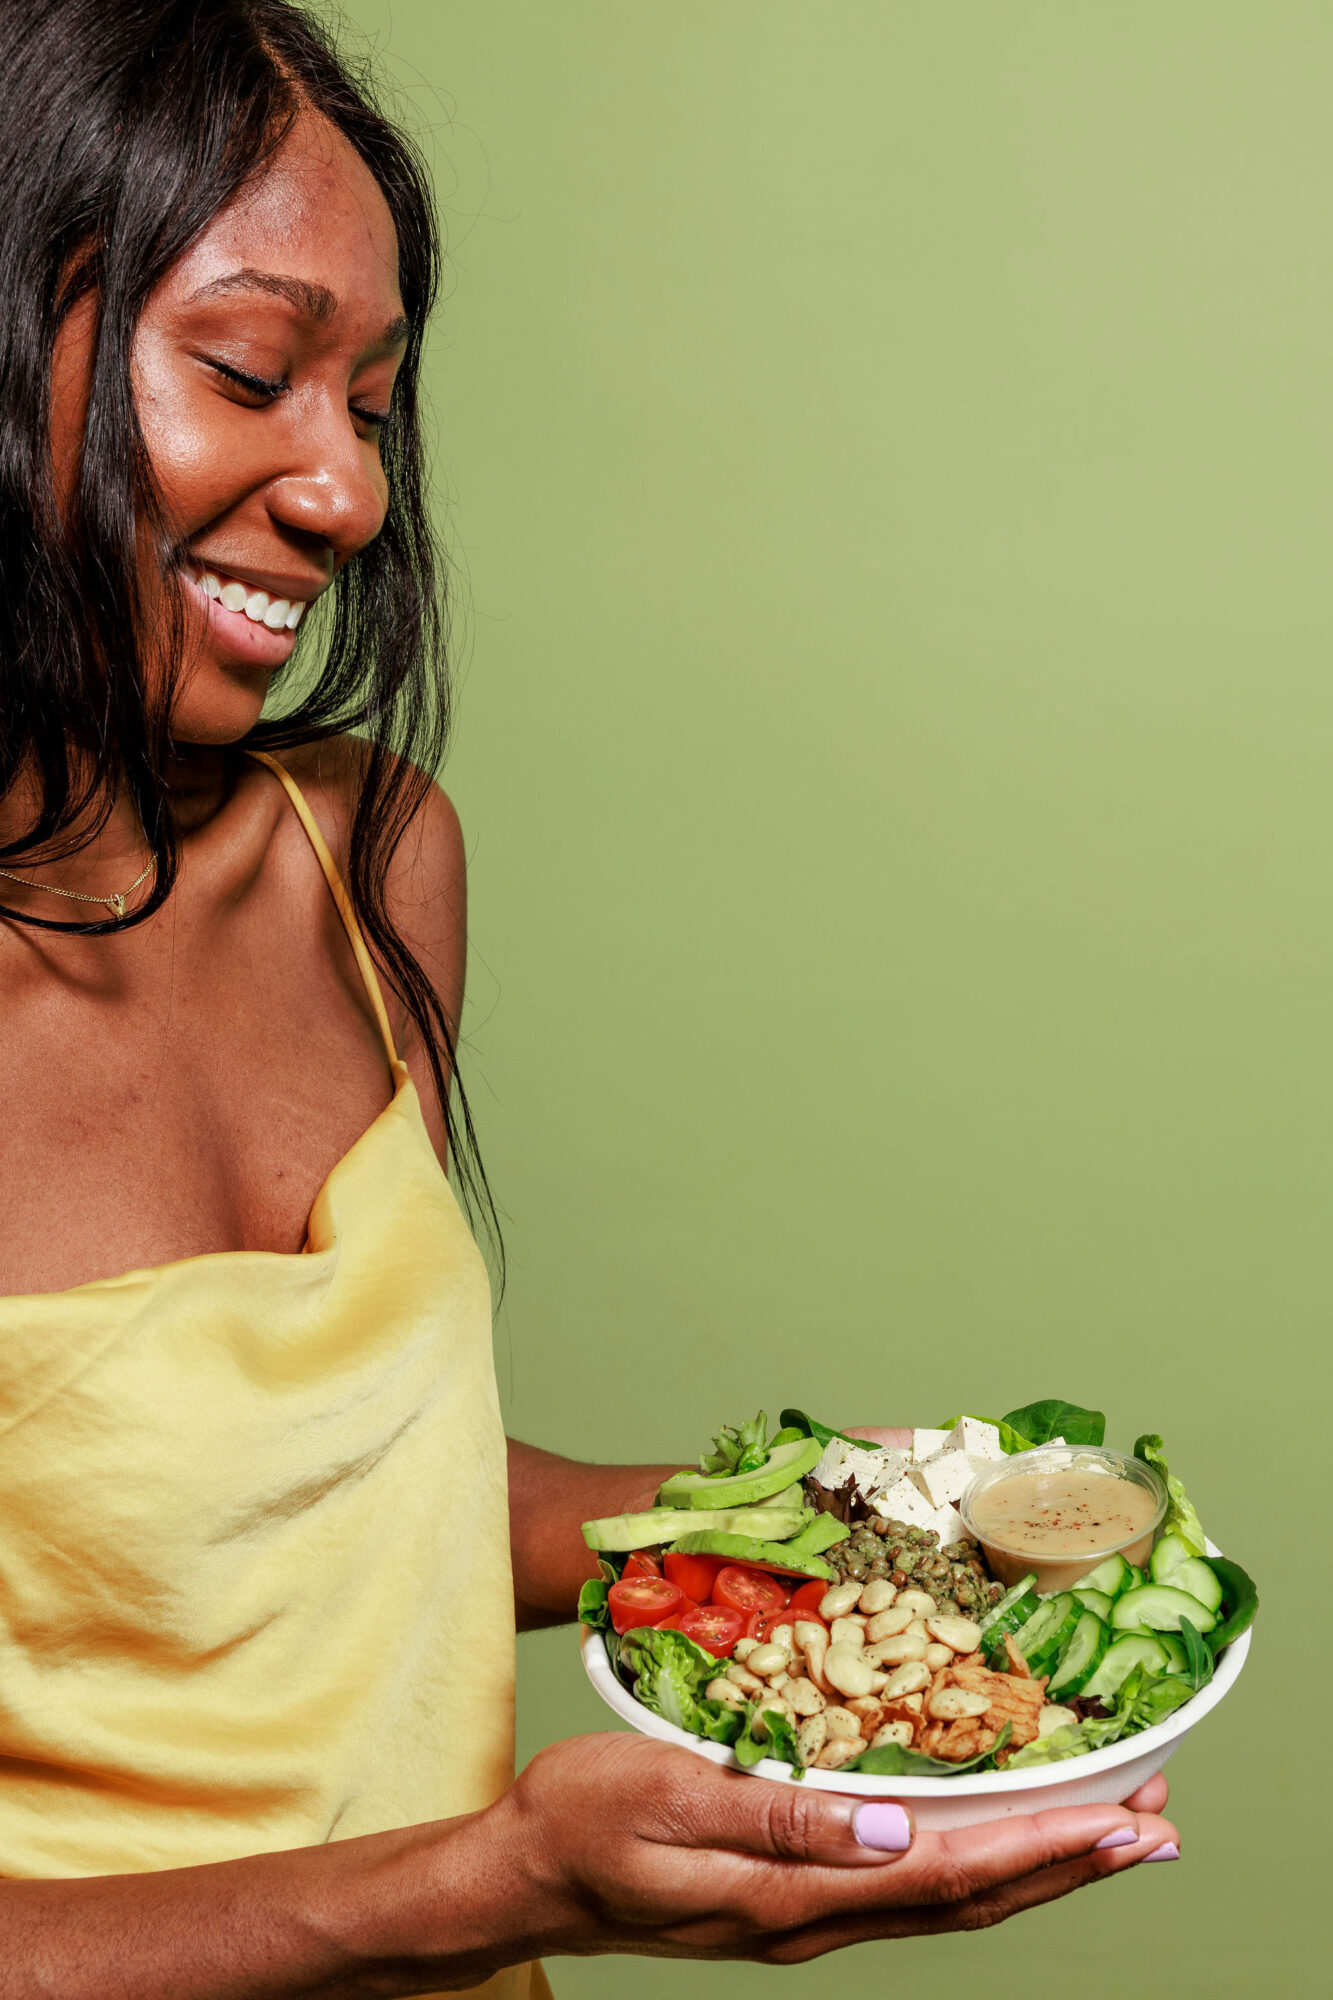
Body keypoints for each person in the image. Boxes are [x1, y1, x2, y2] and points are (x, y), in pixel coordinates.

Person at [0, 2, 1178, 1993]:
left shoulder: (364, 861)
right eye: (252, 370)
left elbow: (351, 1487)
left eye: (369, 403)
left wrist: (826, 1516)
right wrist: (496, 1883)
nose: (348, 494)